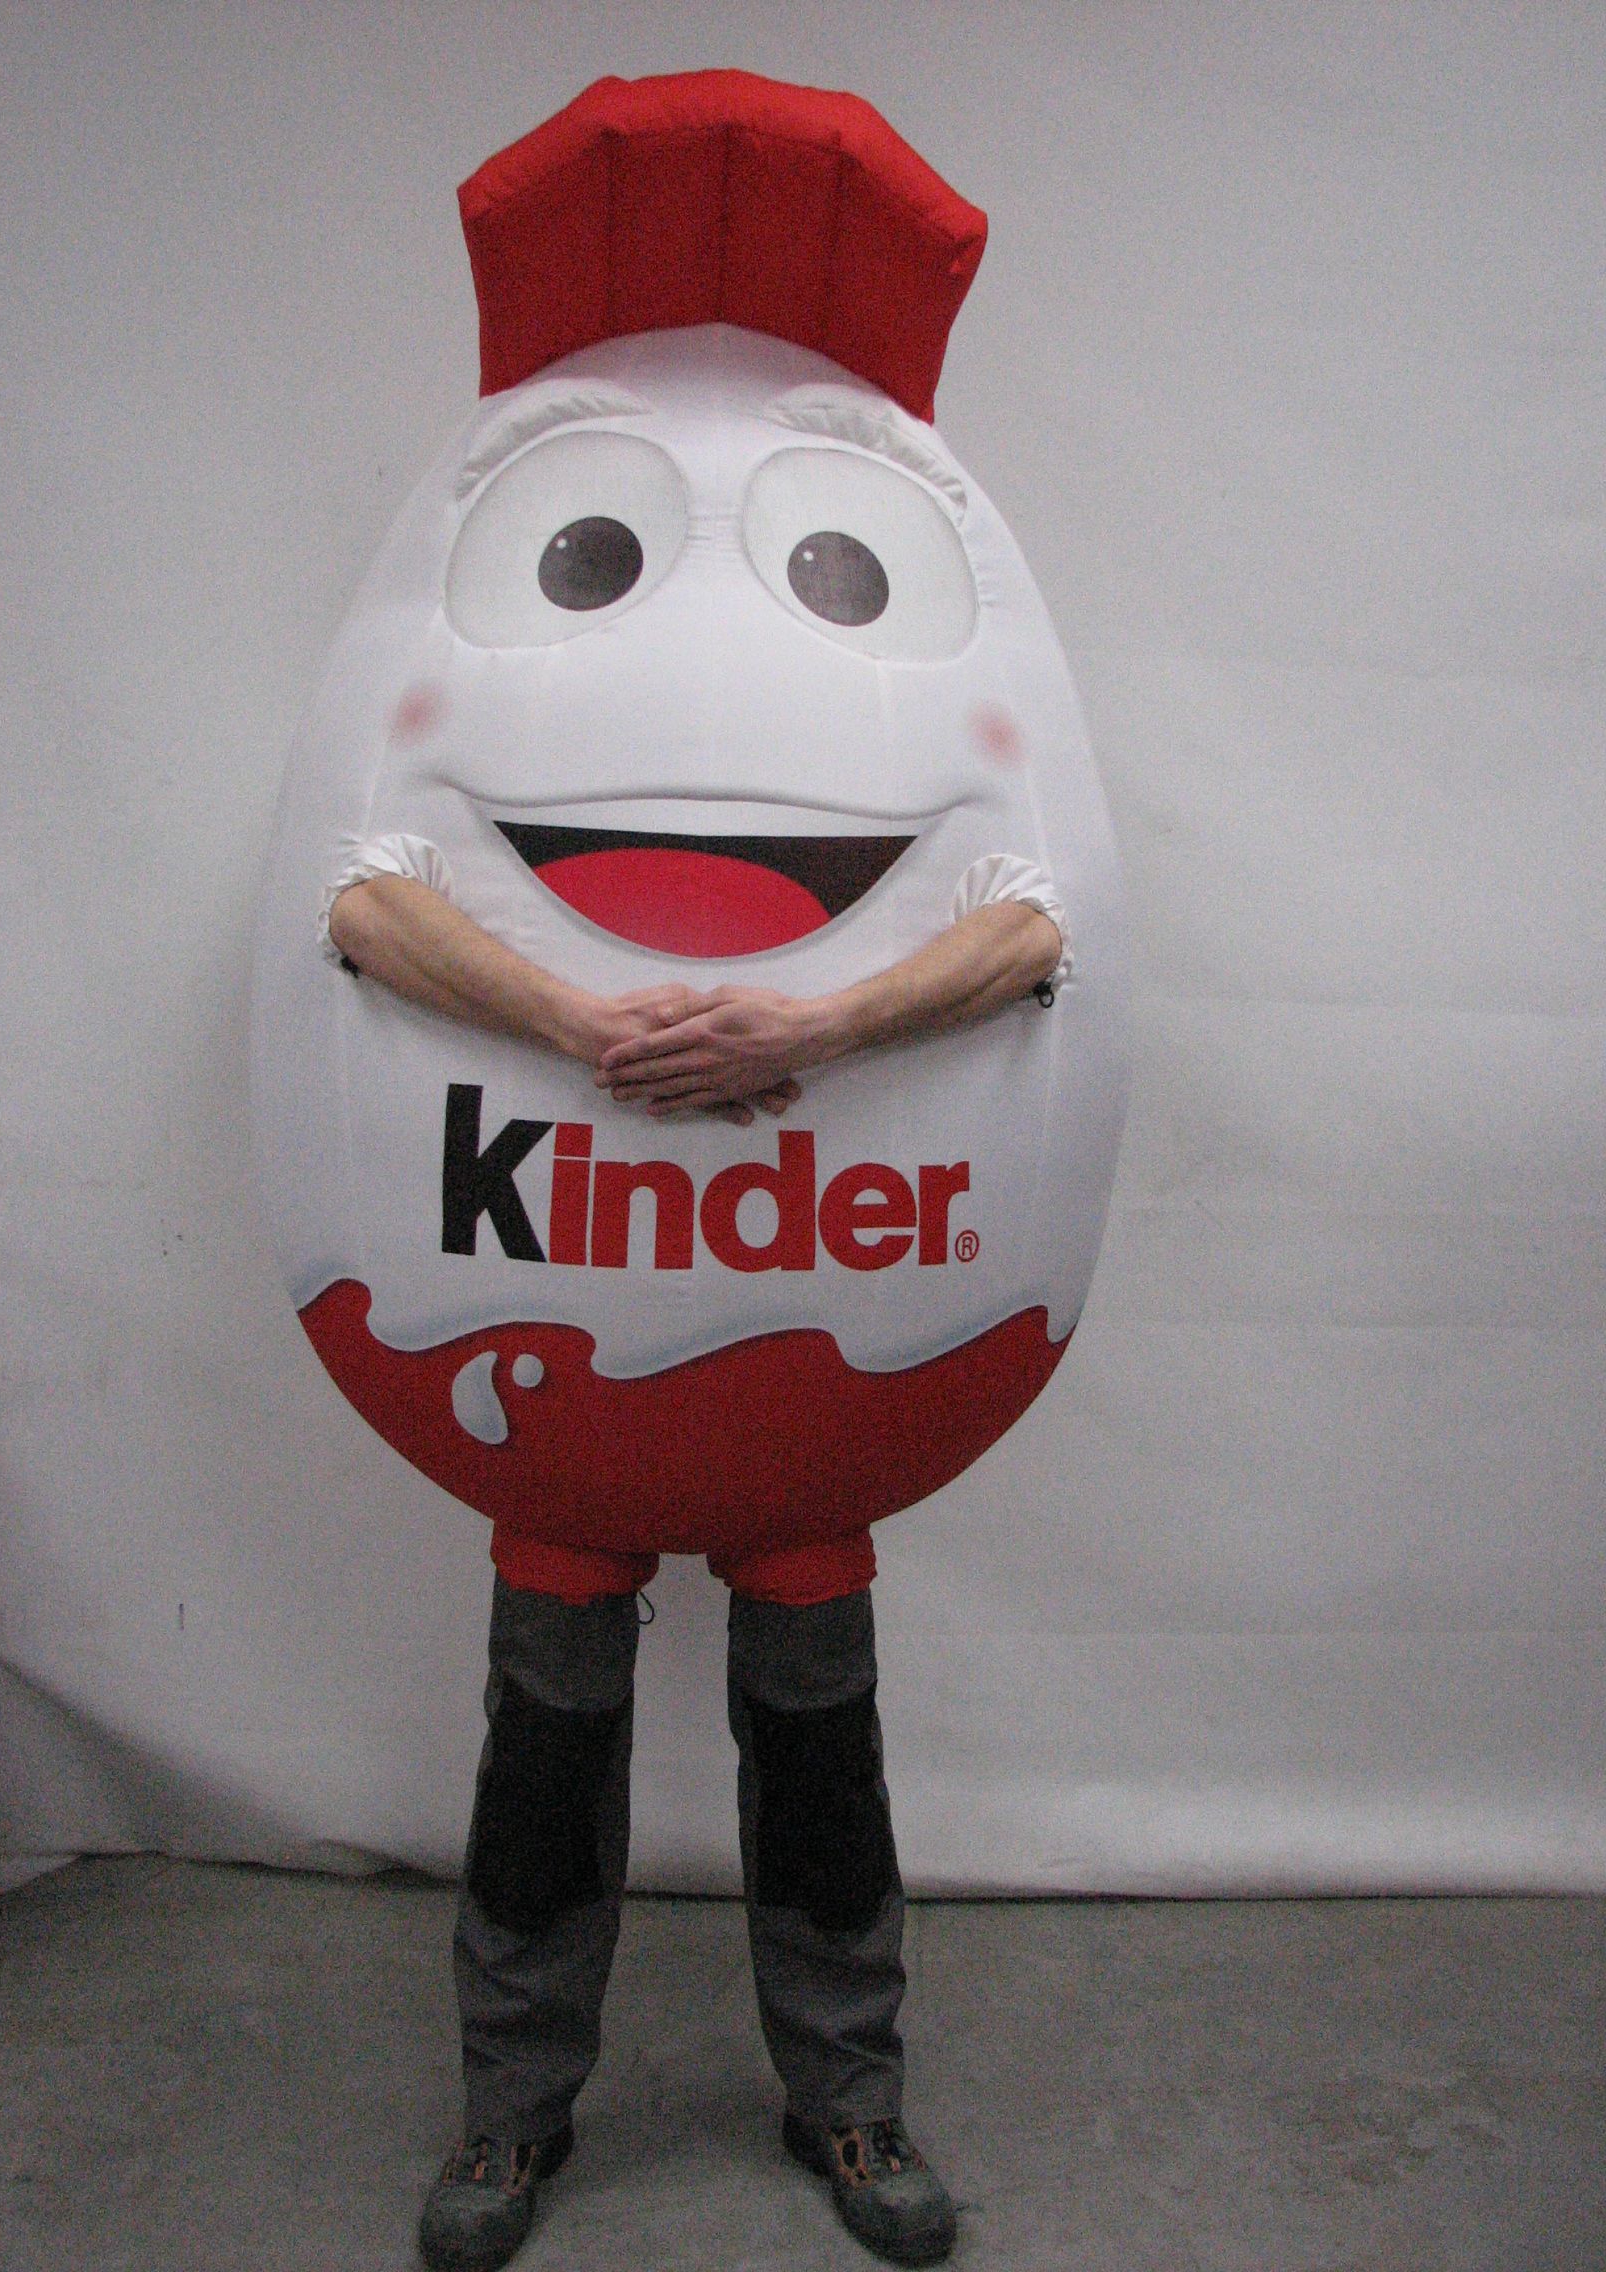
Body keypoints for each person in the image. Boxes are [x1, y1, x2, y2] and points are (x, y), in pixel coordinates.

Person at [325, 858, 1064, 2271]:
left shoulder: (905, 753)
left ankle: (851, 2102)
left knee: (821, 1742)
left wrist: (809, 1031)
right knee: (543, 1749)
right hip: (565, 1343)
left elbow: (1037, 927)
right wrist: (598, 1031)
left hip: (811, 1343)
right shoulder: (495, 748)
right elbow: (360, 906)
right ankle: (512, 2112)